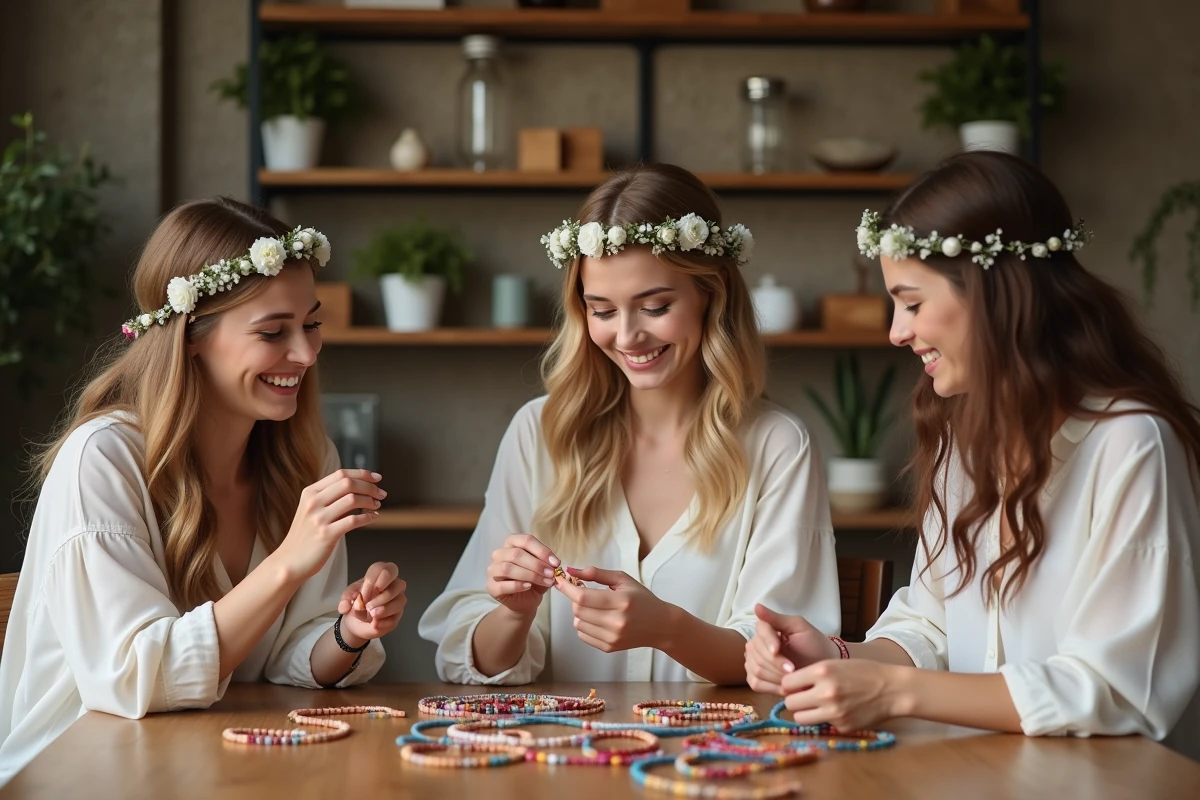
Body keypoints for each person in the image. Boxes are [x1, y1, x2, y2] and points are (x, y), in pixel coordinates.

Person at [746, 150, 1200, 761]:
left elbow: (1117, 690)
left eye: (911, 302)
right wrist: (838, 658)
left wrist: (896, 690)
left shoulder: (1132, 443)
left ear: (994, 296)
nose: (896, 332)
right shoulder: (963, 439)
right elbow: (928, 627)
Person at [0, 198, 406, 783]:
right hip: (79, 776)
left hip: (215, 768)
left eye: (312, 323)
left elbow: (286, 655)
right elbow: (137, 678)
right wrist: (288, 562)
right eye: (273, 332)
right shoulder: (103, 460)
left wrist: (348, 632)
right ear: (190, 335)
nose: (306, 352)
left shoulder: (305, 457)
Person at [419, 163, 840, 685]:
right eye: (602, 310)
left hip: (717, 760)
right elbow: (465, 657)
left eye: (655, 306)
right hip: (560, 759)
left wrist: (667, 628)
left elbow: (783, 660)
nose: (628, 336)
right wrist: (514, 613)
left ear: (712, 294)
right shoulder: (540, 432)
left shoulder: (778, 446)